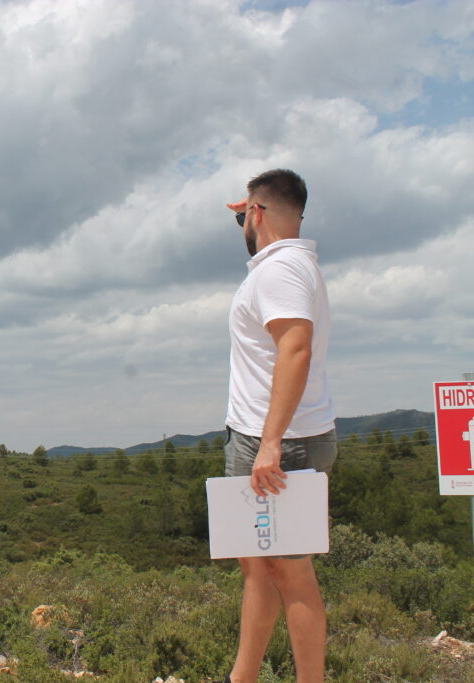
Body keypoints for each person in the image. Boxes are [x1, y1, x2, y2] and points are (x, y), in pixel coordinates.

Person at [223, 169, 337, 683]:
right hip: (281, 437)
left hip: (277, 444)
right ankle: (242, 677)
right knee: (259, 567)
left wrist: (269, 443)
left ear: (258, 213)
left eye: (245, 215)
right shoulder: (293, 264)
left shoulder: (279, 271)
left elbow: (295, 349)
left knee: (290, 572)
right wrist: (250, 211)